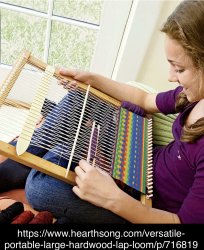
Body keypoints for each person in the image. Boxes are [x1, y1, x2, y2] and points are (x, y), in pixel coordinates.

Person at [1, 0, 204, 223]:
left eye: (179, 69)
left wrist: (111, 197)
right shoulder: (194, 97)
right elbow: (144, 98)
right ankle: (12, 169)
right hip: (141, 162)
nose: (170, 77)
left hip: (140, 207)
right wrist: (93, 79)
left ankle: (47, 156)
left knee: (39, 187)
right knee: (81, 97)